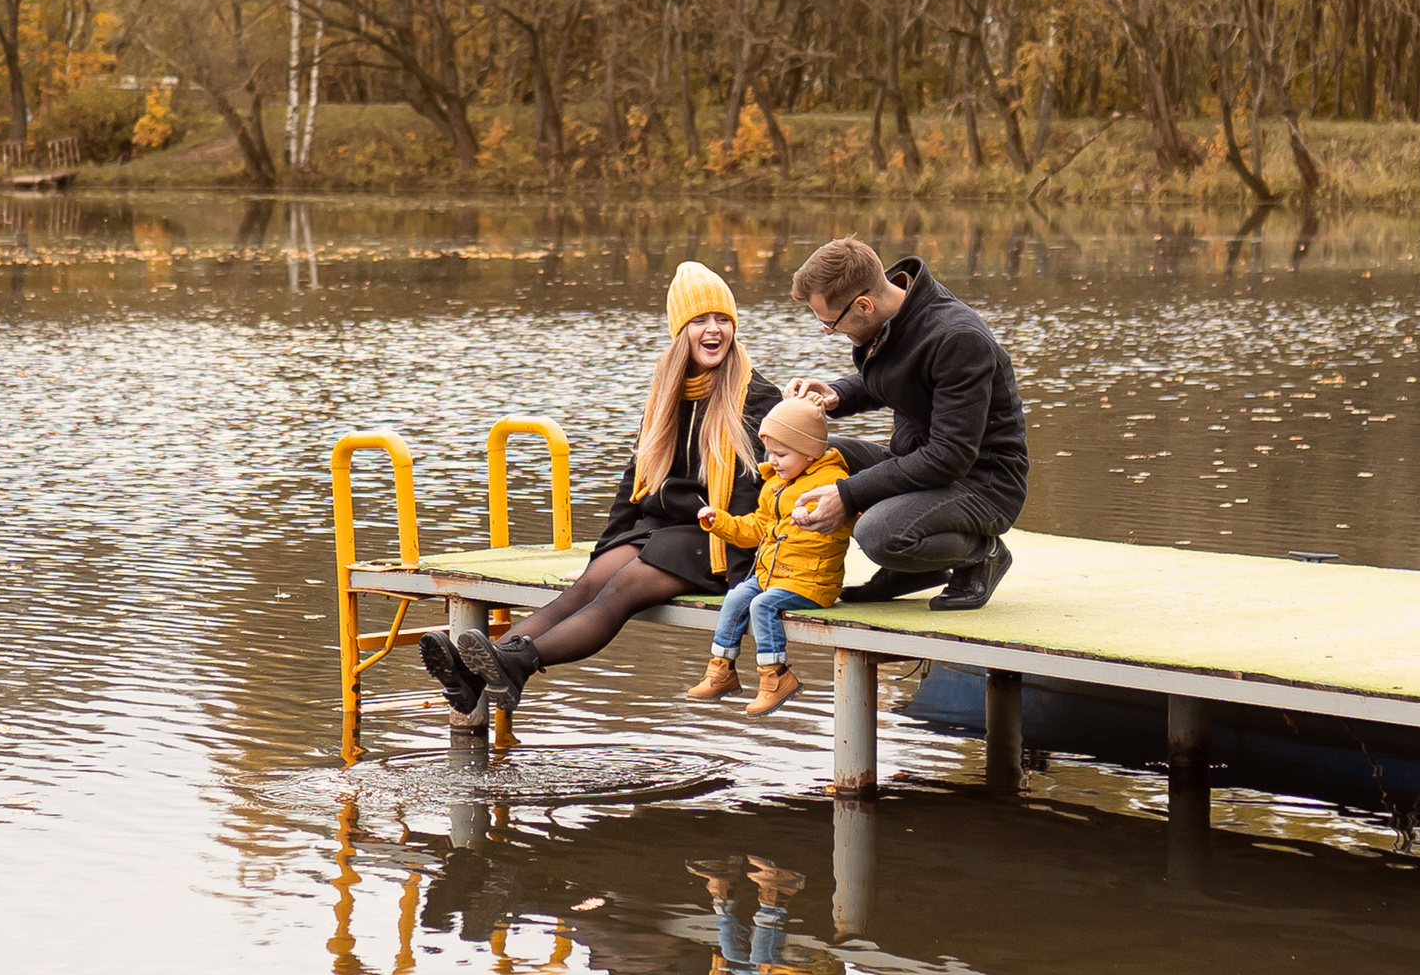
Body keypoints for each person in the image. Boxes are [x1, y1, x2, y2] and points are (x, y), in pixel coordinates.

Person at [420, 261, 781, 716]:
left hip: (719, 537)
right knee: (586, 585)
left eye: (723, 320)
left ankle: (514, 664)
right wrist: (601, 553)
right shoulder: (667, 391)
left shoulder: (758, 397)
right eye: (700, 321)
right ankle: (472, 672)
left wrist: (738, 567)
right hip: (660, 528)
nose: (714, 331)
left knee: (619, 589)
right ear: (680, 330)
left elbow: (761, 492)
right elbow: (634, 481)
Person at [784, 238, 1030, 611]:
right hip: (929, 465)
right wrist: (837, 394)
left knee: (880, 533)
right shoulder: (896, 313)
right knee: (815, 452)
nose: (829, 333)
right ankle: (912, 570)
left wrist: (849, 495)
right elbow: (904, 377)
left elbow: (949, 456)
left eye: (830, 323)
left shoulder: (958, 339)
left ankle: (983, 554)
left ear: (864, 305)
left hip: (983, 483)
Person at [688, 396, 852, 715]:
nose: (773, 461)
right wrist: (720, 521)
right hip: (772, 575)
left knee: (762, 605)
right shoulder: (775, 485)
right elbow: (758, 527)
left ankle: (775, 677)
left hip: (811, 582)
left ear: (809, 452)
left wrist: (817, 521)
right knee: (736, 598)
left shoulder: (831, 484)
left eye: (781, 454)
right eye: (770, 453)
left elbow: (848, 520)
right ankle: (721, 669)